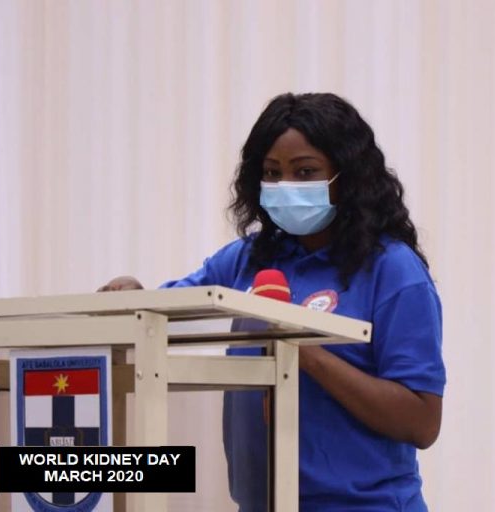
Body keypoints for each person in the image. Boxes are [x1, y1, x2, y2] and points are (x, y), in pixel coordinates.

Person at [100, 92, 445, 511]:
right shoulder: (248, 259)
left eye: (305, 172)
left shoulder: (393, 270)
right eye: (272, 173)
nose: (286, 187)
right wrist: (133, 296)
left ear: (349, 176)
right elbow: (169, 308)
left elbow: (422, 421)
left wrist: (302, 351)